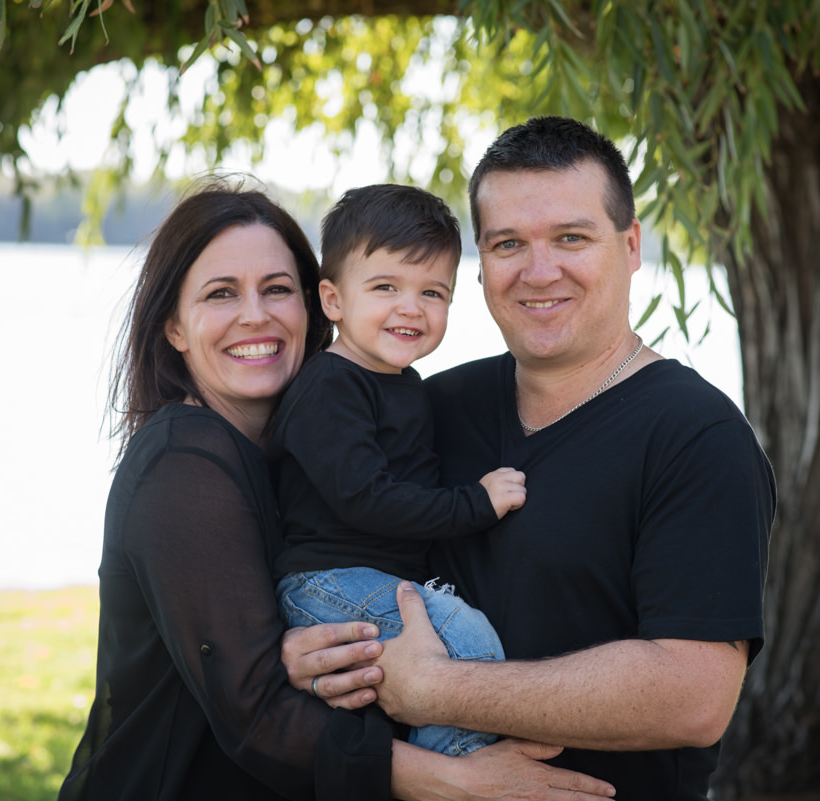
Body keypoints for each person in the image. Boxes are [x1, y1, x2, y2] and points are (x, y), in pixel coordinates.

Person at [58, 177, 617, 801]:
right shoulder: (185, 462)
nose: (256, 314)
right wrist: (461, 781)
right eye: (221, 294)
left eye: (276, 289)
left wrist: (296, 653)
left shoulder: (287, 437)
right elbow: (252, 706)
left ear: (310, 303)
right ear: (175, 328)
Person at [282, 117, 776, 800]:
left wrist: (434, 688)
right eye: (508, 243)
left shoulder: (697, 435)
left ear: (631, 247)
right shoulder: (434, 403)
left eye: (571, 238)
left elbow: (692, 697)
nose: (539, 271)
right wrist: (304, 650)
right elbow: (331, 549)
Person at [268, 184, 525, 757]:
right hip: (327, 583)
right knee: (466, 645)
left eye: (433, 292)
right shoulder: (329, 386)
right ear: (333, 301)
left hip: (368, 581)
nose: (411, 307)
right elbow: (366, 497)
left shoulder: (402, 383)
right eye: (386, 286)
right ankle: (455, 782)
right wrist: (475, 505)